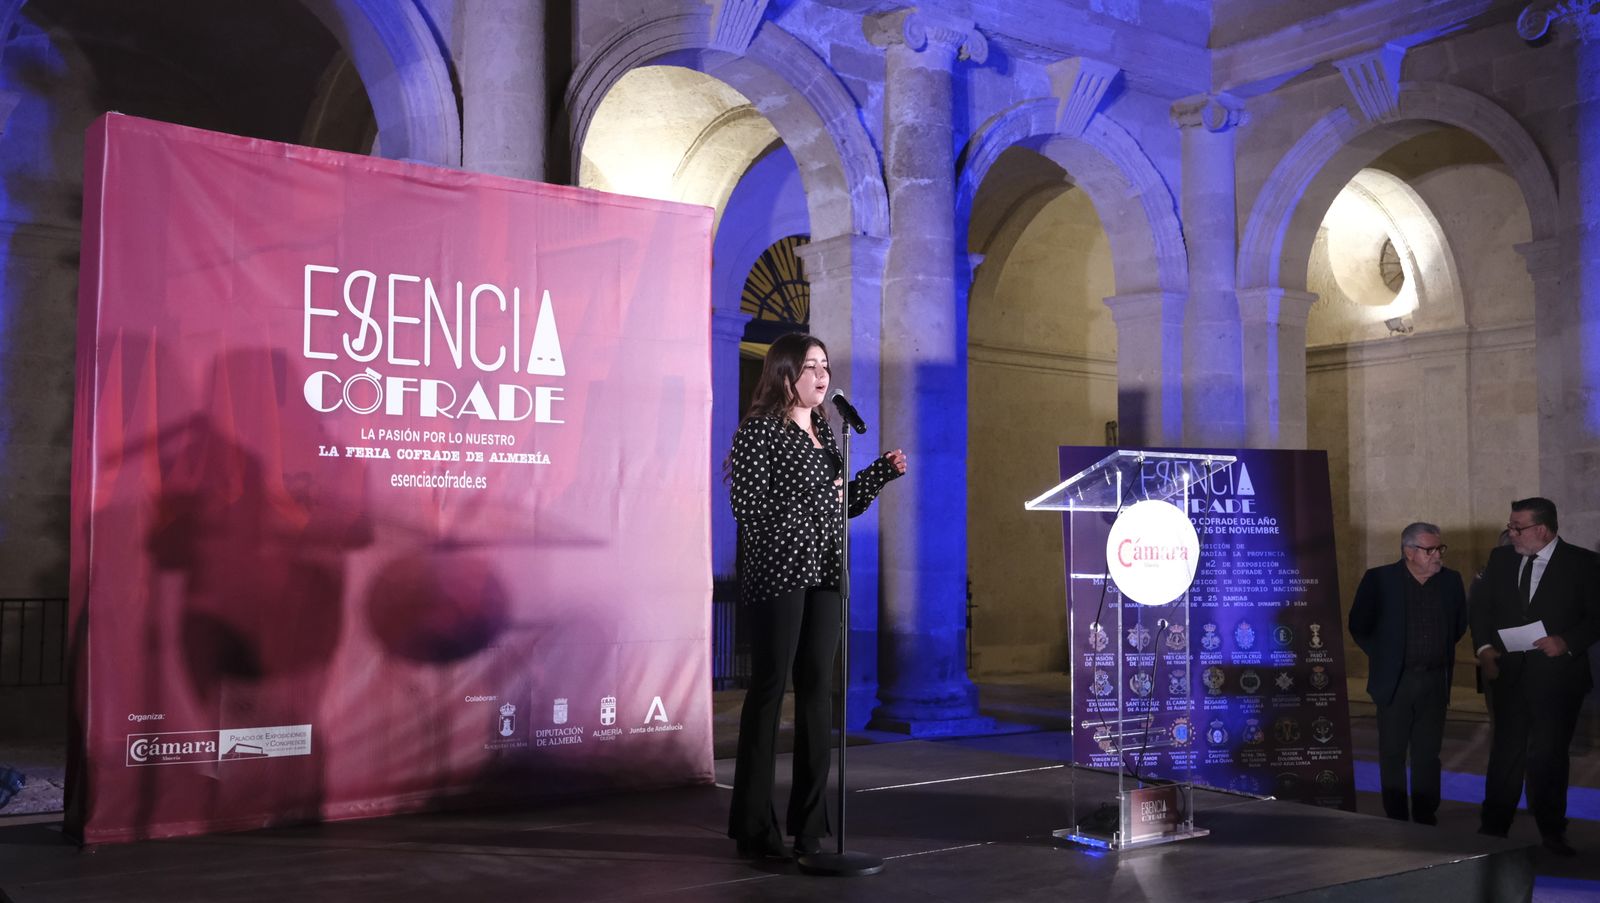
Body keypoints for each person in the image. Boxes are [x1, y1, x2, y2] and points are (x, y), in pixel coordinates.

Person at [725, 332, 906, 861]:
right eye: (810, 366)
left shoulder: (826, 429)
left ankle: (809, 827)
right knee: (768, 692)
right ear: (784, 374)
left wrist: (876, 475)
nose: (821, 375)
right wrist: (813, 493)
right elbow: (747, 506)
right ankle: (754, 829)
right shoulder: (759, 432)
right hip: (779, 573)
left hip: (826, 572)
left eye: (825, 365)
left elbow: (838, 506)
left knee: (815, 695)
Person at [1470, 497, 1600, 855]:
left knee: (1549, 756)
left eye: (1517, 527)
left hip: (1558, 680)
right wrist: (1483, 649)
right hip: (1508, 676)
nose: (1510, 533)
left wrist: (1567, 641)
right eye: (1511, 526)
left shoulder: (1584, 563)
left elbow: (1596, 617)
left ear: (1541, 529)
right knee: (1505, 754)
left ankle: (1552, 832)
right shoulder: (1501, 559)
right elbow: (1481, 609)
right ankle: (1493, 827)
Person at [1348, 522, 1467, 825]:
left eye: (1440, 548)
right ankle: (1396, 816)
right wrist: (1386, 655)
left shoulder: (1451, 581)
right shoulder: (1380, 580)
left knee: (1428, 754)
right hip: (1396, 681)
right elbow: (1359, 625)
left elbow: (1458, 625)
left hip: (1434, 680)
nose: (1437, 555)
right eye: (1430, 550)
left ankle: (1426, 814)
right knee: (1393, 752)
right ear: (1409, 552)